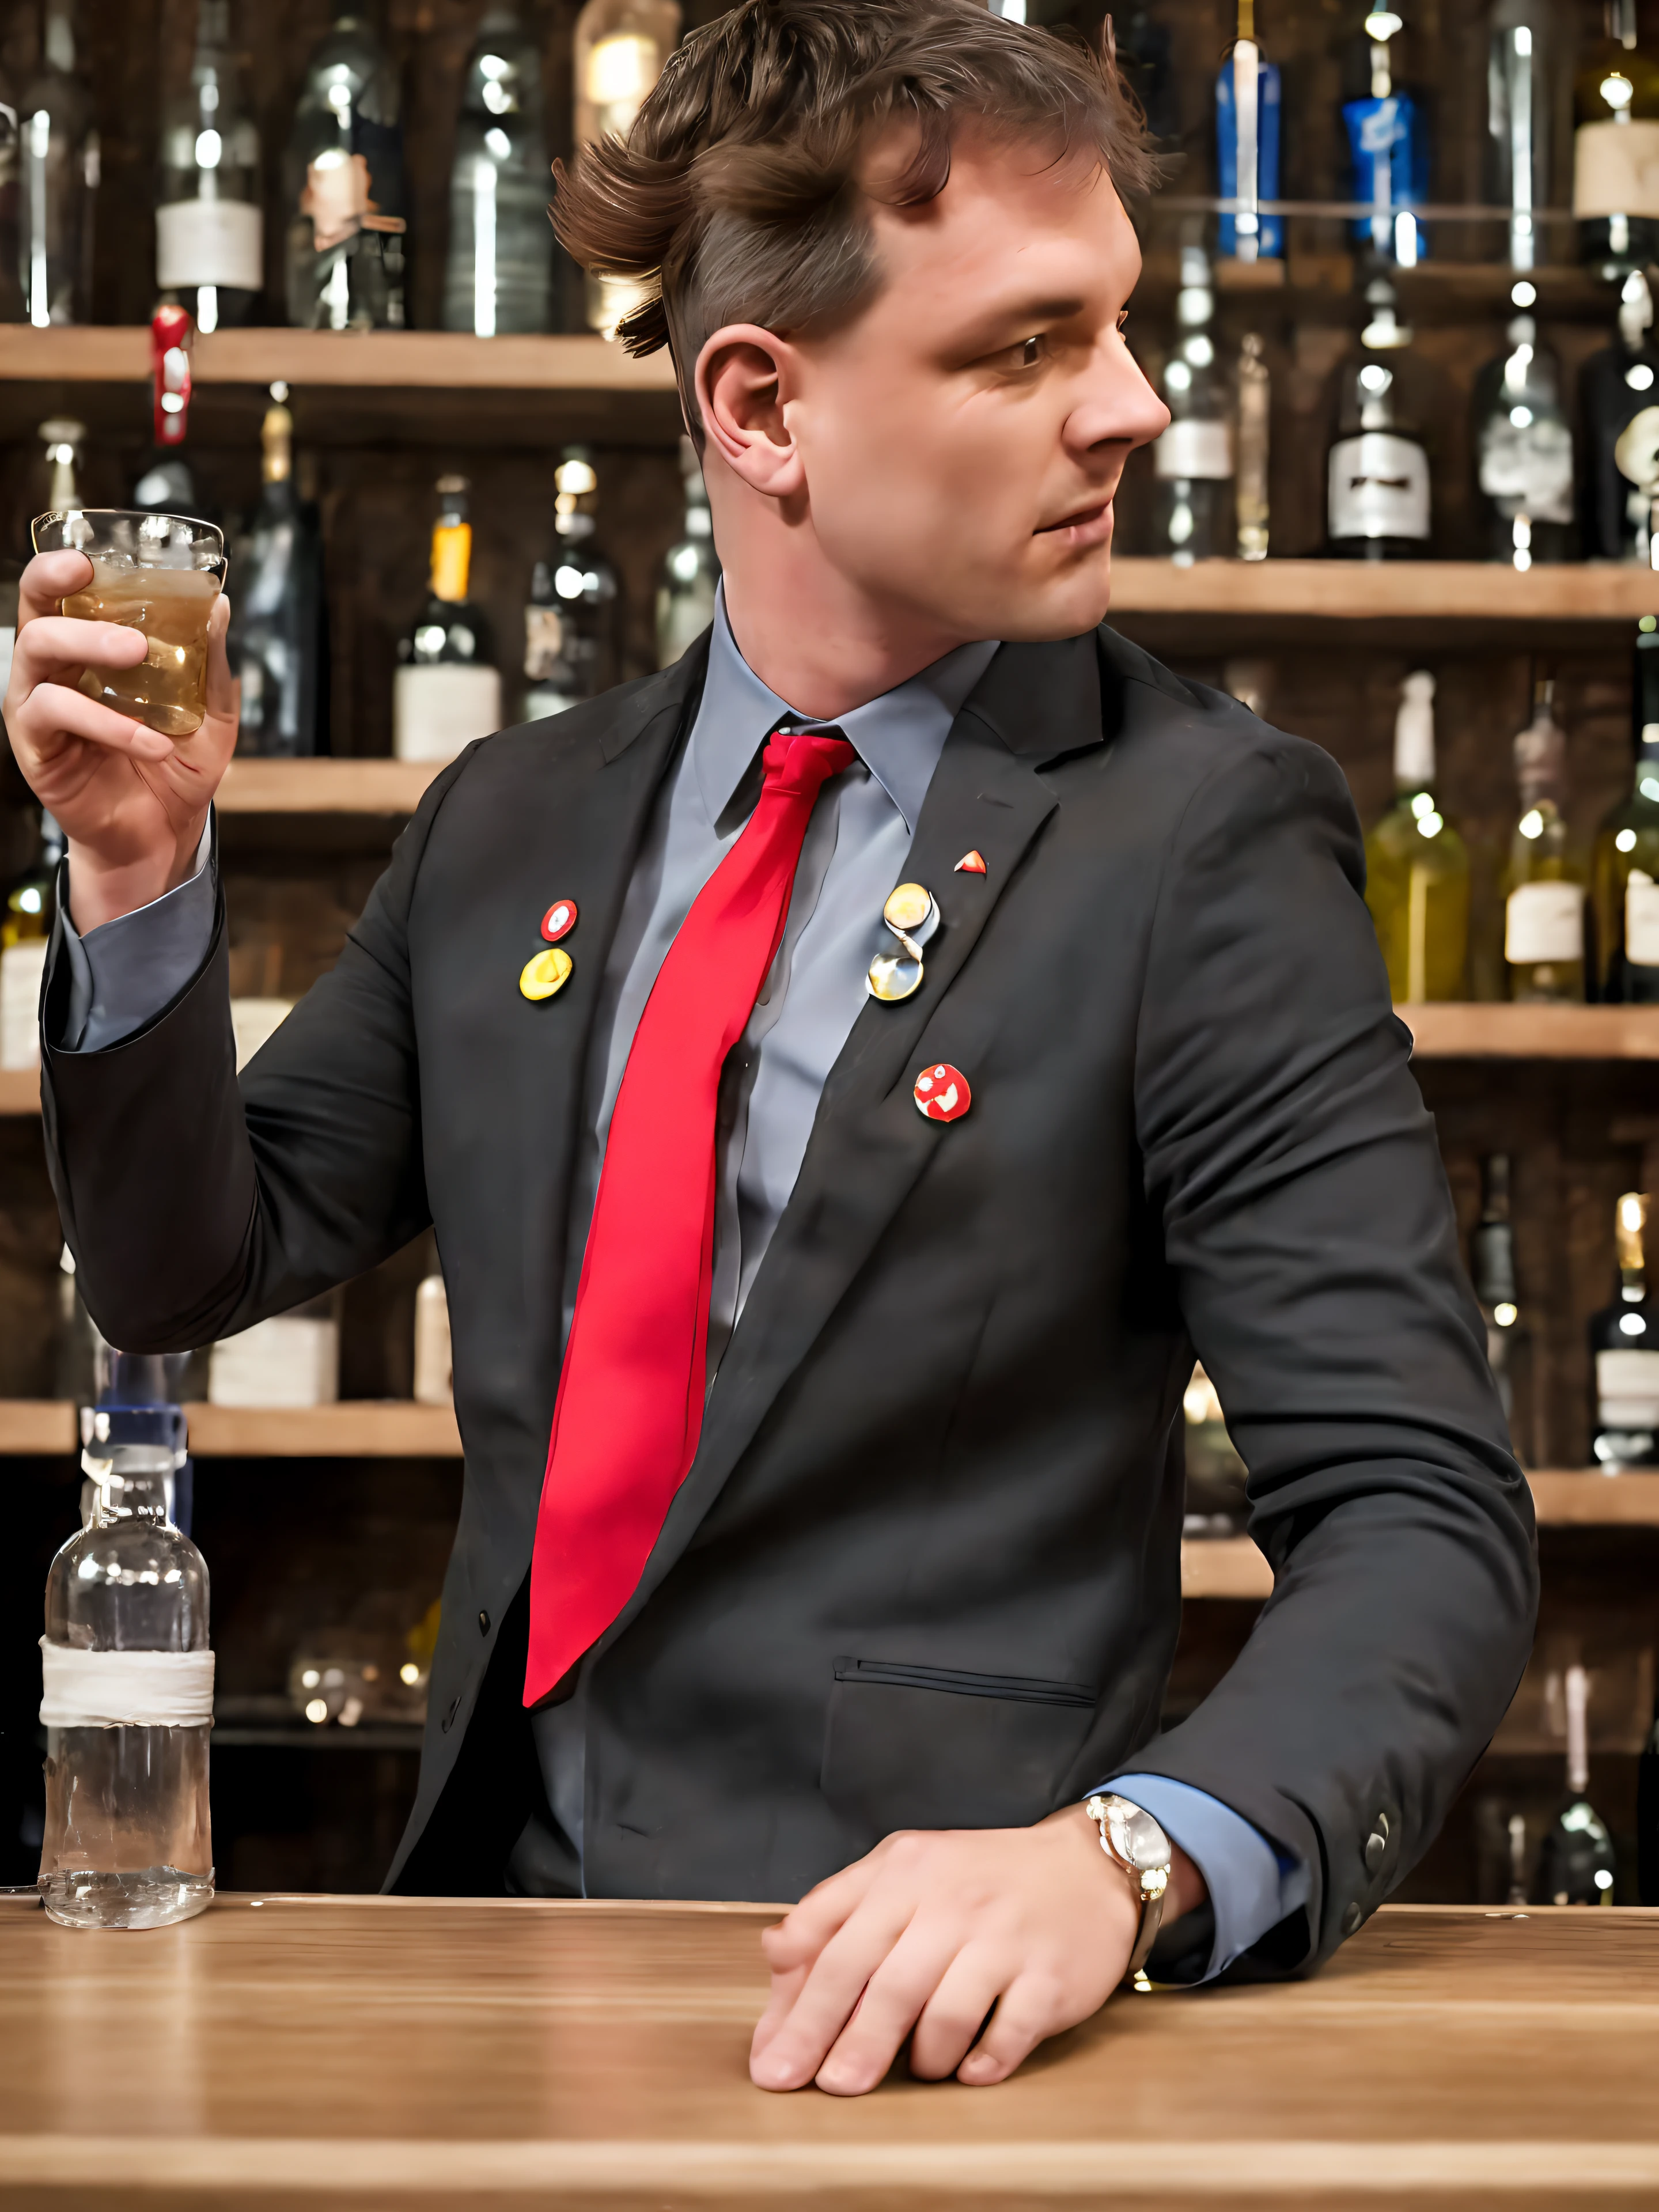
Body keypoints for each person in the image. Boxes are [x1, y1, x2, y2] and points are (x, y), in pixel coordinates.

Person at [8, 0, 1534, 2101]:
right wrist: (138, 874)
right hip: (486, 1980)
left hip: (949, 2028)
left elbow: (1421, 1511)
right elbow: (188, 1269)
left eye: (1120, 326)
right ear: (761, 408)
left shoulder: (1203, 835)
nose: (1139, 406)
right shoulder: (512, 819)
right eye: (1028, 346)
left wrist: (1123, 1863)